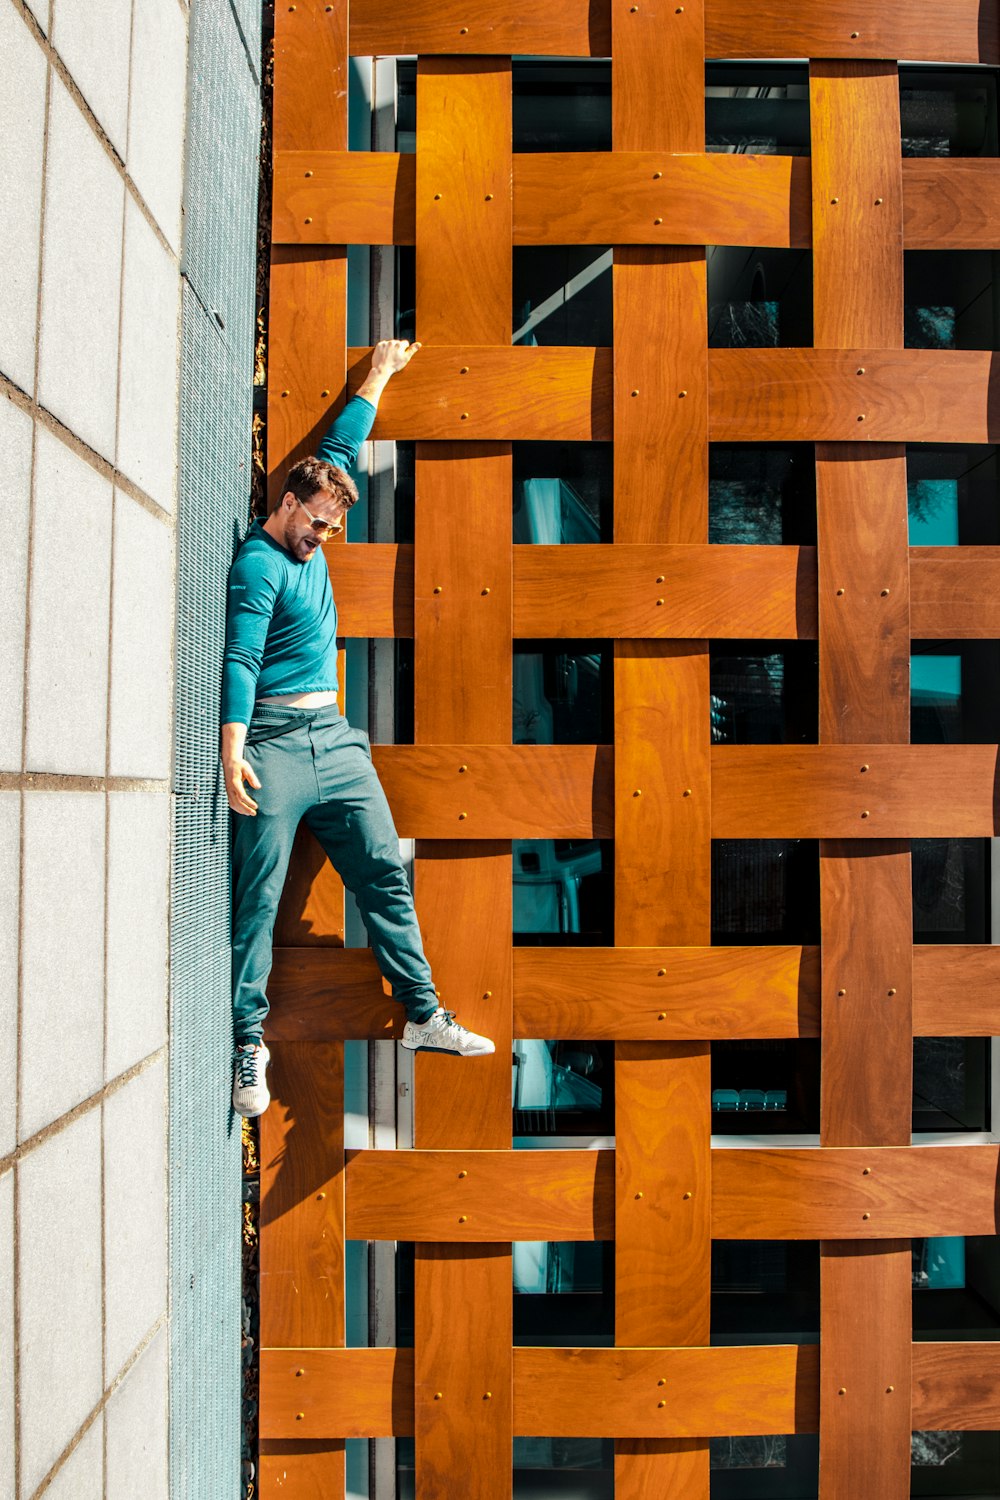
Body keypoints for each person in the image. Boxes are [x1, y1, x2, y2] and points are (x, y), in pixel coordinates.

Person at [223, 339, 495, 1118]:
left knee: (382, 869)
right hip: (272, 745)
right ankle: (249, 1041)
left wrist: (378, 372)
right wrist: (232, 747)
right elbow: (240, 657)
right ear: (285, 505)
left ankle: (423, 1015)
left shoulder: (318, 500)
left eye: (334, 529)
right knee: (259, 895)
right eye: (316, 526)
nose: (324, 540)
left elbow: (339, 445)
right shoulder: (259, 567)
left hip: (336, 744)